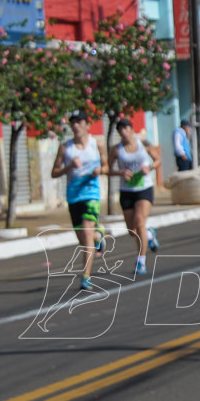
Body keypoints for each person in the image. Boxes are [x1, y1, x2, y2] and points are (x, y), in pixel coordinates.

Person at [51, 110, 107, 290]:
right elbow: (54, 172)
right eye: (73, 122)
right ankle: (99, 235)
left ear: (87, 125)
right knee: (83, 238)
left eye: (79, 122)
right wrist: (69, 166)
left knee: (86, 231)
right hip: (73, 196)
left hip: (91, 194)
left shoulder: (96, 144)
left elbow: (105, 165)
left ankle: (85, 277)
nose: (75, 126)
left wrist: (101, 170)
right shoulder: (65, 147)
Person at [108, 118, 161, 276]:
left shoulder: (143, 144)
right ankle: (150, 234)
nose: (123, 132)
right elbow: (107, 168)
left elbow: (158, 160)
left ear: (131, 129)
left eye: (126, 128)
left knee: (139, 222)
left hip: (144, 188)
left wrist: (149, 167)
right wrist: (120, 172)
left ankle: (141, 261)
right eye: (120, 130)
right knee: (132, 230)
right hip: (126, 190)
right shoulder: (116, 150)